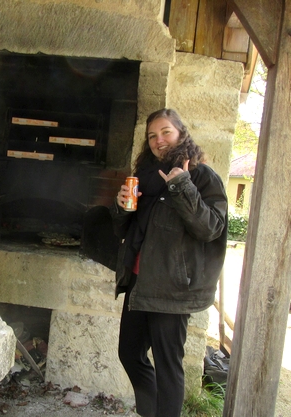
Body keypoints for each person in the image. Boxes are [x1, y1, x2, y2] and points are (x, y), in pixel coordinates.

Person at [110, 108, 228, 417]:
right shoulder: (146, 177)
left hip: (172, 289)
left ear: (180, 134)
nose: (159, 140)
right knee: (129, 354)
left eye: (166, 132)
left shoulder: (201, 176)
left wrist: (182, 185)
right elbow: (125, 230)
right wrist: (122, 207)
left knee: (168, 367)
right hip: (139, 281)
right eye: (152, 136)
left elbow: (211, 228)